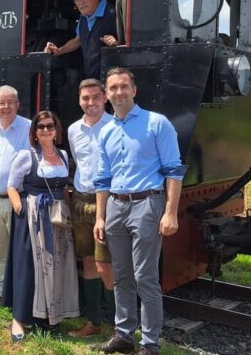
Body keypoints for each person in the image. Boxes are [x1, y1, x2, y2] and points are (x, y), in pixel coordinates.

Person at [94, 68, 185, 355]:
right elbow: (102, 179)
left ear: (134, 90)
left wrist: (171, 212)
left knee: (145, 276)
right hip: (115, 206)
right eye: (113, 88)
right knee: (121, 275)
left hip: (147, 204)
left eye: (124, 87)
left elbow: (173, 170)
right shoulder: (106, 130)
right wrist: (99, 216)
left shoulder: (157, 124)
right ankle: (123, 334)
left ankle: (150, 343)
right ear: (107, 95)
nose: (119, 92)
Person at [3, 110, 79, 342]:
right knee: (29, 267)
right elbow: (12, 185)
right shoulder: (26, 156)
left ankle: (46, 317)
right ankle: (19, 318)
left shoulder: (64, 155)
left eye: (50, 126)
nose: (46, 130)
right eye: (41, 127)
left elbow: (64, 188)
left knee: (54, 265)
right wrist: (20, 208)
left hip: (56, 218)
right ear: (34, 132)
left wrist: (68, 215)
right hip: (32, 217)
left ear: (57, 130)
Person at [67, 78, 115, 337]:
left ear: (105, 98)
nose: (91, 103)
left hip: (105, 203)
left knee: (105, 266)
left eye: (96, 97)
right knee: (87, 262)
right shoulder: (74, 130)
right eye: (85, 98)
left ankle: (121, 327)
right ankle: (94, 324)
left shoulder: (115, 126)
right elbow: (79, 162)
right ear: (79, 100)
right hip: (80, 202)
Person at [0, 85, 31, 305]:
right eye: (2, 103)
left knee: (20, 252)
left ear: (18, 105)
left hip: (17, 199)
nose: (6, 107)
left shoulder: (29, 128)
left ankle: (21, 297)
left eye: (11, 102)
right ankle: (1, 292)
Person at [43, 0, 119, 80]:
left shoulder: (115, 14)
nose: (80, 2)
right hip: (93, 80)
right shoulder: (83, 17)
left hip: (113, 82)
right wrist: (59, 50)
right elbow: (78, 40)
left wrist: (117, 44)